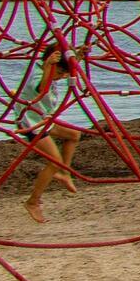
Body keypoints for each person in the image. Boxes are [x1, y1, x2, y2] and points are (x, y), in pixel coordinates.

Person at [13, 43, 84, 223]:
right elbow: (41, 89)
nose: (61, 78)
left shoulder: (49, 70)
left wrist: (79, 56)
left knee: (74, 135)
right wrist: (48, 68)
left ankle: (65, 173)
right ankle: (33, 202)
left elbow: (62, 69)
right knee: (54, 161)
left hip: (43, 121)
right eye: (59, 74)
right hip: (32, 125)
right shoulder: (37, 74)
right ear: (50, 64)